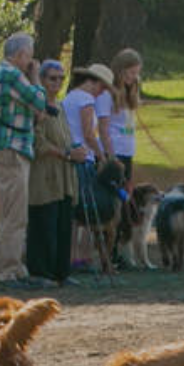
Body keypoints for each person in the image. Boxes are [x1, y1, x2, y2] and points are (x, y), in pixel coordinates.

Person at [0, 32, 48, 285]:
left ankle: (16, 266)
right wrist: (36, 77)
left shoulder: (3, 74)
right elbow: (40, 102)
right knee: (14, 214)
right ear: (20, 54)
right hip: (11, 150)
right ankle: (6, 270)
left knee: (15, 212)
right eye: (29, 57)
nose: (31, 62)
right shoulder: (12, 75)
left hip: (10, 149)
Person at [27, 60, 84, 286]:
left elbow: (65, 137)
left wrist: (74, 150)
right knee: (44, 225)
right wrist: (66, 154)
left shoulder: (59, 107)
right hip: (44, 176)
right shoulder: (37, 107)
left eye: (61, 78)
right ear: (41, 80)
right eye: (52, 78)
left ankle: (62, 272)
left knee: (62, 225)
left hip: (64, 176)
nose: (58, 83)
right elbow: (38, 143)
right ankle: (41, 273)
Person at [62, 62, 113, 271]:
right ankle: (80, 257)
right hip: (83, 159)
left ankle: (70, 256)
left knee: (73, 211)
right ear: (94, 82)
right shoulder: (86, 99)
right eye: (102, 87)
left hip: (70, 156)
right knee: (85, 212)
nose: (102, 93)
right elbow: (89, 134)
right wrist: (102, 156)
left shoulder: (69, 97)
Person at [104, 48, 143, 182]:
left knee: (126, 195)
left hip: (127, 150)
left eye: (137, 73)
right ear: (121, 70)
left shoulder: (131, 91)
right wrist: (111, 156)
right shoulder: (108, 94)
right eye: (132, 72)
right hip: (115, 151)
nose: (135, 77)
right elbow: (102, 128)